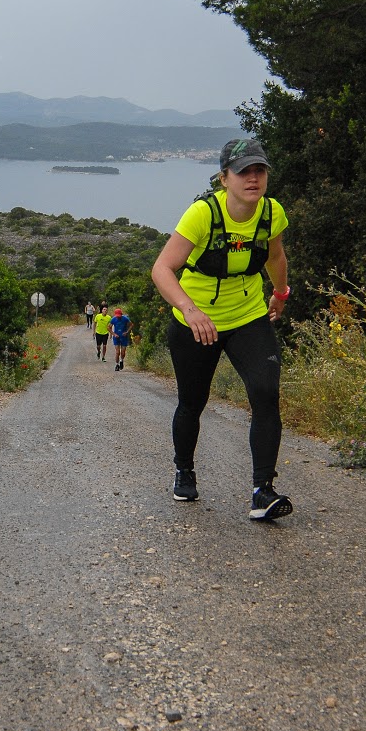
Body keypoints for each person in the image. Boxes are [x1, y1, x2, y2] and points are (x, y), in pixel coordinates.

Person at [150, 138, 293, 521]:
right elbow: (162, 269)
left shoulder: (271, 213)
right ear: (224, 178)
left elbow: (275, 255)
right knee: (192, 402)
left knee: (265, 392)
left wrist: (280, 292)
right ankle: (184, 470)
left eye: (259, 170)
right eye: (243, 171)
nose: (253, 178)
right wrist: (190, 310)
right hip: (197, 323)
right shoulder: (203, 214)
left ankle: (263, 491)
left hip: (248, 315)